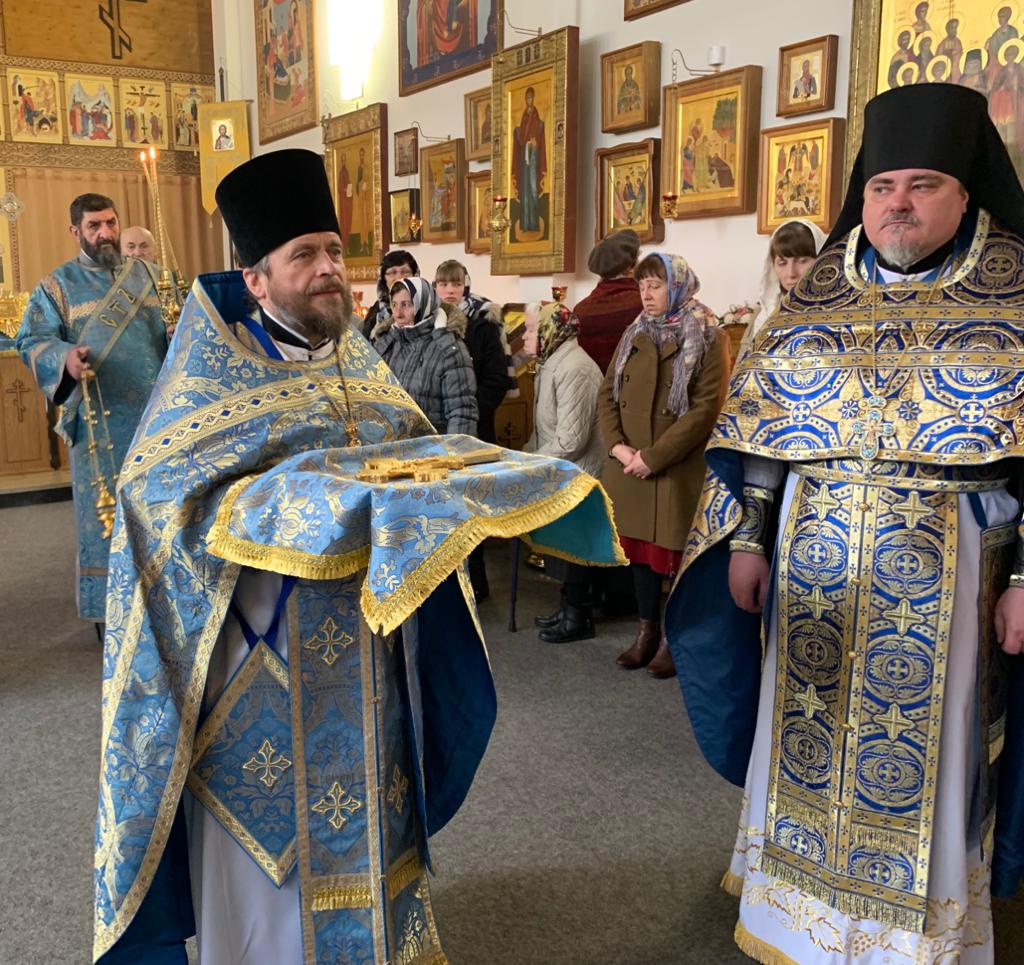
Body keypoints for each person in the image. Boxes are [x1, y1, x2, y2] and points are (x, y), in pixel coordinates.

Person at [91, 147, 624, 964]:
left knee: (375, 842)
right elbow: (158, 507)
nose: (328, 269)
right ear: (256, 278)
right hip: (256, 679)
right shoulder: (207, 380)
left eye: (335, 251)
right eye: (303, 254)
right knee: (268, 891)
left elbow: (417, 455)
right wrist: (305, 504)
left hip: (369, 670)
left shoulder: (359, 365)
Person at [666, 83, 1024, 964]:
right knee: (805, 735)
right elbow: (764, 433)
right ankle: (794, 917)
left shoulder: (1015, 291)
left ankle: (911, 940)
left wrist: (1022, 578)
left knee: (930, 757)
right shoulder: (819, 292)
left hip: (947, 567)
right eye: (882, 186)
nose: (898, 204)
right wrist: (748, 538)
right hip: (810, 560)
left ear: (965, 193)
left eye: (922, 186)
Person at [16, 193, 167, 624]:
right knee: (106, 520)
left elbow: (172, 332)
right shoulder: (57, 286)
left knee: (157, 511)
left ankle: (162, 602)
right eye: (94, 226)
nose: (105, 233)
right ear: (75, 231)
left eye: (111, 223)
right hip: (99, 421)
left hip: (156, 418)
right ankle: (110, 614)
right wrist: (65, 358)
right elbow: (32, 340)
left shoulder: (149, 276)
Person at [597, 252, 729, 678]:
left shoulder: (708, 333)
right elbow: (607, 395)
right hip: (630, 465)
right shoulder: (635, 331)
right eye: (642, 285)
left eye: (655, 285)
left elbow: (705, 409)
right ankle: (646, 631)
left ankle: (675, 637)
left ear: (678, 285)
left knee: (673, 556)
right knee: (640, 557)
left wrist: (652, 458)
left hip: (674, 466)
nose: (646, 294)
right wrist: (618, 447)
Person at [524, 302, 605, 642]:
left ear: (549, 330)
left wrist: (530, 463)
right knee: (568, 544)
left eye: (531, 329)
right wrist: (521, 457)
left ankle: (578, 617)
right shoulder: (552, 363)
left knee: (576, 546)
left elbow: (571, 439)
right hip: (563, 467)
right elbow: (544, 430)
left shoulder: (575, 368)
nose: (524, 336)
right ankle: (567, 608)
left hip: (581, 471)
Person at [434, 259, 514, 601]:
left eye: (456, 284)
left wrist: (465, 411)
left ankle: (476, 581)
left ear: (465, 286)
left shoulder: (481, 326)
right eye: (443, 284)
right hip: (436, 431)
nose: (450, 290)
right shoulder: (430, 324)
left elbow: (496, 380)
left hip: (475, 431)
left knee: (471, 507)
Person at [370, 274, 478, 435]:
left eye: (406, 304)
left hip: (431, 445)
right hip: (388, 444)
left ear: (424, 304)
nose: (398, 313)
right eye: (394, 304)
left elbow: (462, 412)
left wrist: (452, 450)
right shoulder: (386, 343)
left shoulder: (448, 348)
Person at [736, 218, 826, 360]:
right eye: (782, 263)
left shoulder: (838, 313)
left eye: (802, 261)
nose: (791, 273)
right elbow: (742, 368)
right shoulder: (764, 316)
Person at [573, 229, 643, 375]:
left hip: (592, 388)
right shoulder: (643, 304)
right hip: (634, 388)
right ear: (631, 267)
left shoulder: (580, 311)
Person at [360, 248, 418, 339]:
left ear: (415, 275)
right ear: (384, 279)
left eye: (405, 272)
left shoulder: (424, 306)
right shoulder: (376, 310)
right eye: (392, 272)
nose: (399, 277)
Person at [512, 86, 546, 233]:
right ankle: (525, 224)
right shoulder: (524, 116)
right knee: (525, 189)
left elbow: (539, 133)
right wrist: (516, 130)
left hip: (533, 157)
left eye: (531, 97)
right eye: (527, 97)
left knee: (533, 188)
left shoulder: (536, 116)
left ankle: (534, 223)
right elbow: (521, 136)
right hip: (524, 159)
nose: (529, 100)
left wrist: (535, 141)